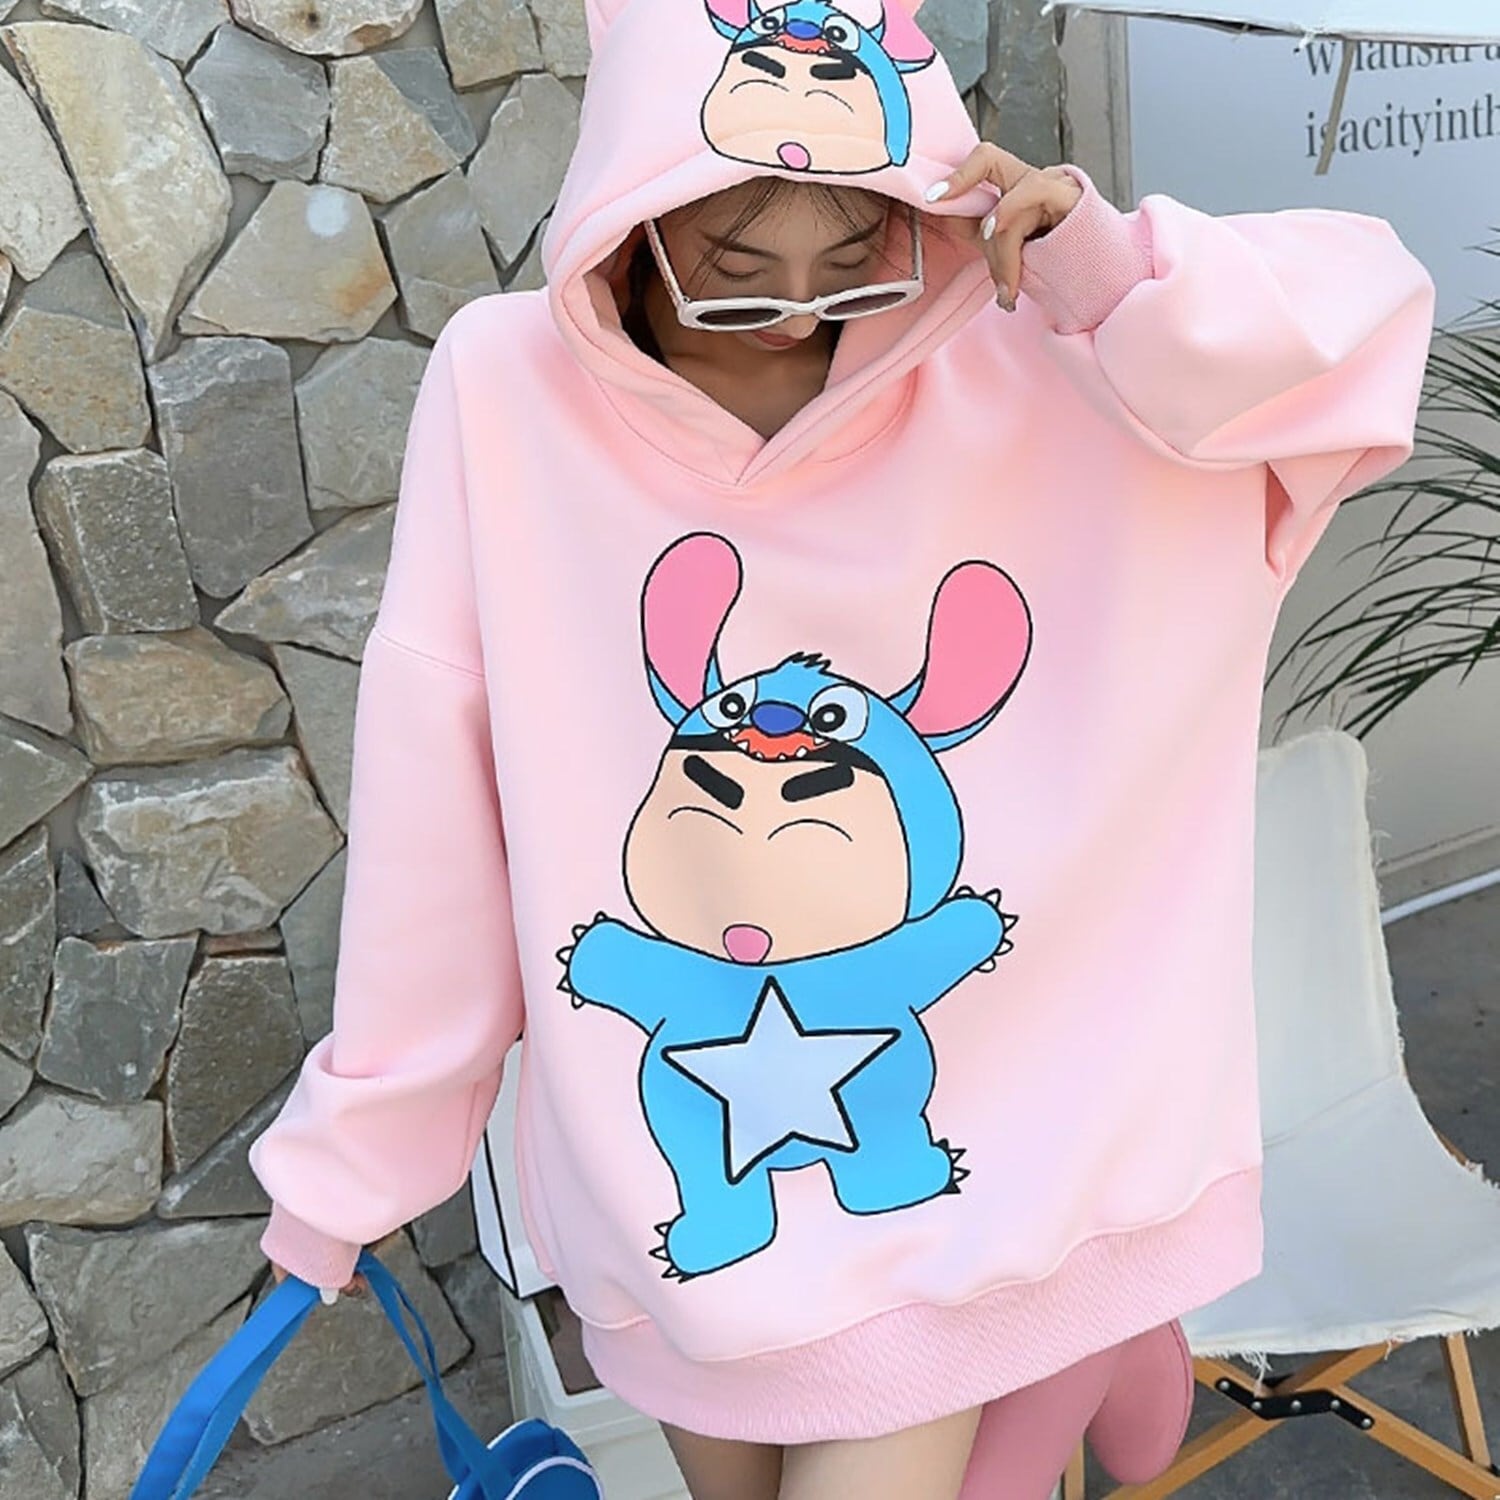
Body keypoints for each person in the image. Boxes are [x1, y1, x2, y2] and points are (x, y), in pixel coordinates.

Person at [251, 0, 1437, 1494]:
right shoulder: (505, 387)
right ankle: (1081, 1351)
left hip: (959, 1192)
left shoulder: (1032, 348)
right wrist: (354, 1166)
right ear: (630, 215)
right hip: (680, 1204)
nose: (797, 316)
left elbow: (1364, 326)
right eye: (736, 272)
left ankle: (1074, 1323)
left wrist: (1112, 275)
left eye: (856, 258)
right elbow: (438, 786)